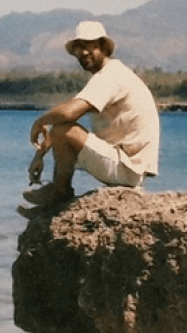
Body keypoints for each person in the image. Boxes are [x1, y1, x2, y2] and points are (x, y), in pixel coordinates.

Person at [22, 20, 160, 209]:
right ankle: (56, 199)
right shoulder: (109, 74)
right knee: (62, 128)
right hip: (125, 164)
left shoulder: (111, 76)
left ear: (103, 47)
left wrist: (39, 123)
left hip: (127, 168)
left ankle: (59, 191)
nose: (83, 53)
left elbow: (68, 114)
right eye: (79, 48)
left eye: (90, 46)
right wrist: (39, 154)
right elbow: (64, 118)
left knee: (65, 129)